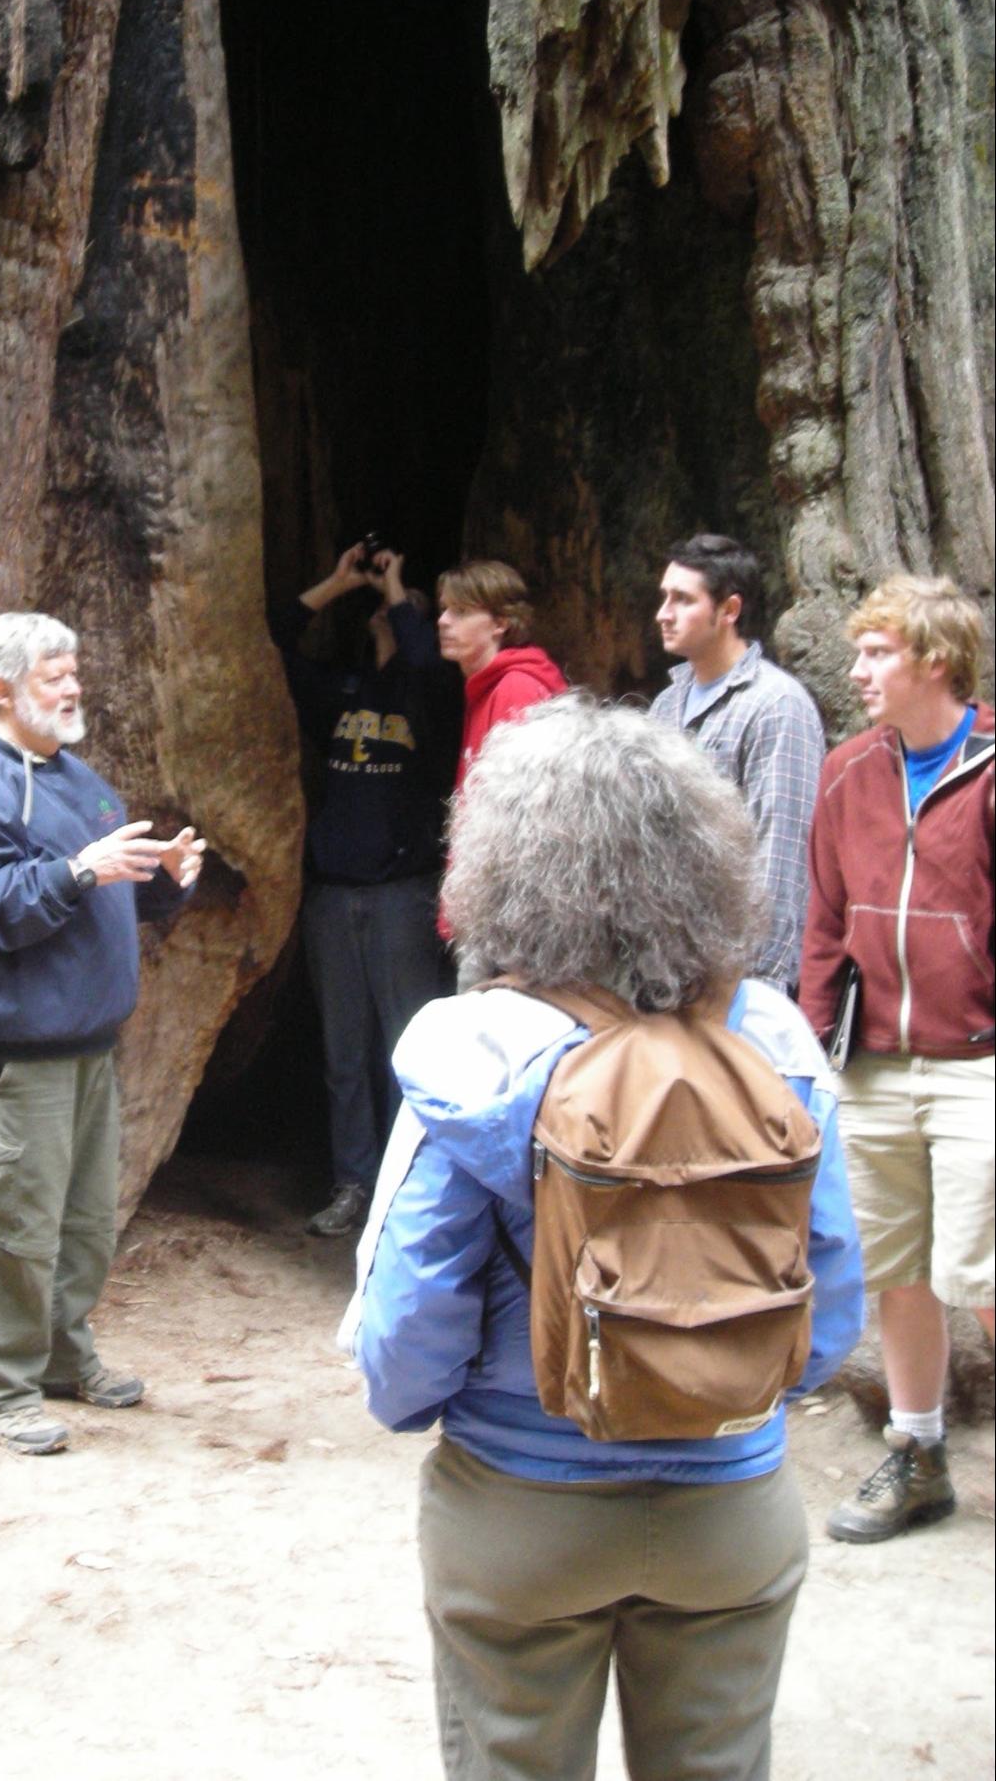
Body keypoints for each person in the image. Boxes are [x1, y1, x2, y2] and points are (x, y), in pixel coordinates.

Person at [346, 695, 863, 1781]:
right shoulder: (773, 1046)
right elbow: (824, 1318)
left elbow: (407, 1336)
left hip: (523, 1511)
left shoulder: (474, 1056)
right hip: (731, 1507)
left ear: (498, 870)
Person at [0, 612, 204, 1455]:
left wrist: (166, 882)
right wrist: (79, 868)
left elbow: (105, 890)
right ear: (3, 688)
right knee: (15, 1223)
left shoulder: (77, 776)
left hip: (90, 1046)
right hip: (17, 1051)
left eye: (74, 670)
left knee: (83, 1223)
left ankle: (60, 1354)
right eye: (54, 674)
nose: (74, 686)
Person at [798, 574, 993, 1543]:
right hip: (871, 1062)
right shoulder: (848, 771)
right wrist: (816, 1043)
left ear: (937, 662)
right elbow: (825, 921)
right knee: (899, 1268)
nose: (859, 669)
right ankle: (918, 1454)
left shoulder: (992, 767)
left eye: (878, 652)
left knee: (990, 1273)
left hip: (978, 1060)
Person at [270, 541, 456, 1237]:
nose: (389, 611)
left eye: (406, 611)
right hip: (333, 895)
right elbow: (274, 641)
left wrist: (400, 586)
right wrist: (340, 581)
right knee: (344, 1052)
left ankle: (413, 1189)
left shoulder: (431, 695)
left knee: (404, 1051)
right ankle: (354, 1182)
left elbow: (426, 663)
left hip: (402, 893)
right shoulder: (340, 693)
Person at [650, 532, 825, 990]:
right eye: (664, 597)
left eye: (682, 600)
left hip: (738, 976)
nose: (663, 614)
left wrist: (762, 987)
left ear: (729, 610)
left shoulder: (777, 704)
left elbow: (782, 855)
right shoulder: (666, 706)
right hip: (666, 965)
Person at [435, 558, 567, 795]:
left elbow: (520, 802)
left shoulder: (517, 687)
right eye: (444, 608)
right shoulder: (487, 683)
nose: (442, 621)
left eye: (460, 611)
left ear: (500, 623)